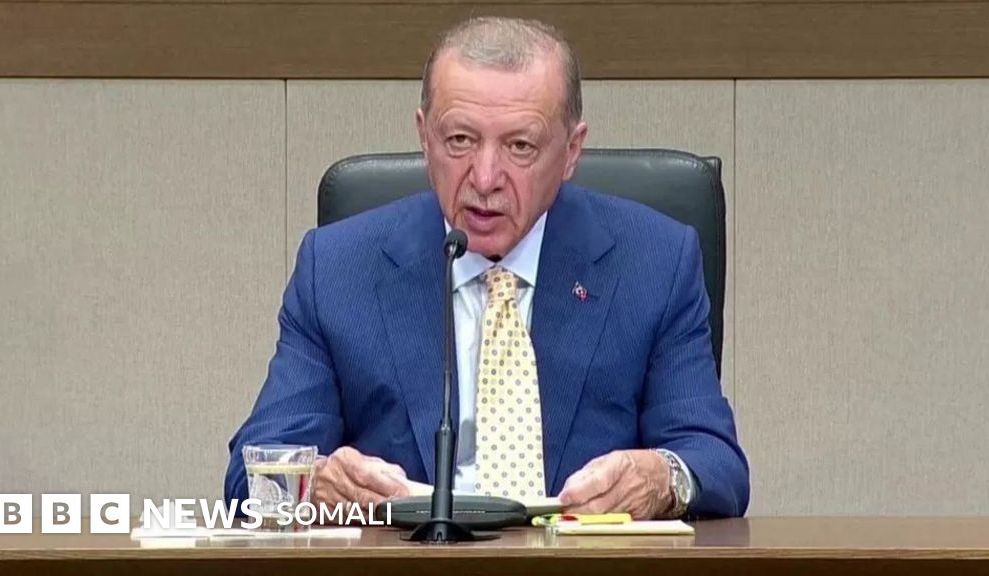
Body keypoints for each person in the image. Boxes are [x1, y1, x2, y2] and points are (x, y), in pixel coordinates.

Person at [226, 16, 749, 519]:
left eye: (520, 146)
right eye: (460, 140)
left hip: (578, 563)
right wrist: (314, 482)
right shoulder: (338, 269)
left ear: (571, 151)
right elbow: (250, 476)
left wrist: (661, 478)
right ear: (424, 136)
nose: (484, 177)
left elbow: (714, 462)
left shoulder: (654, 263)